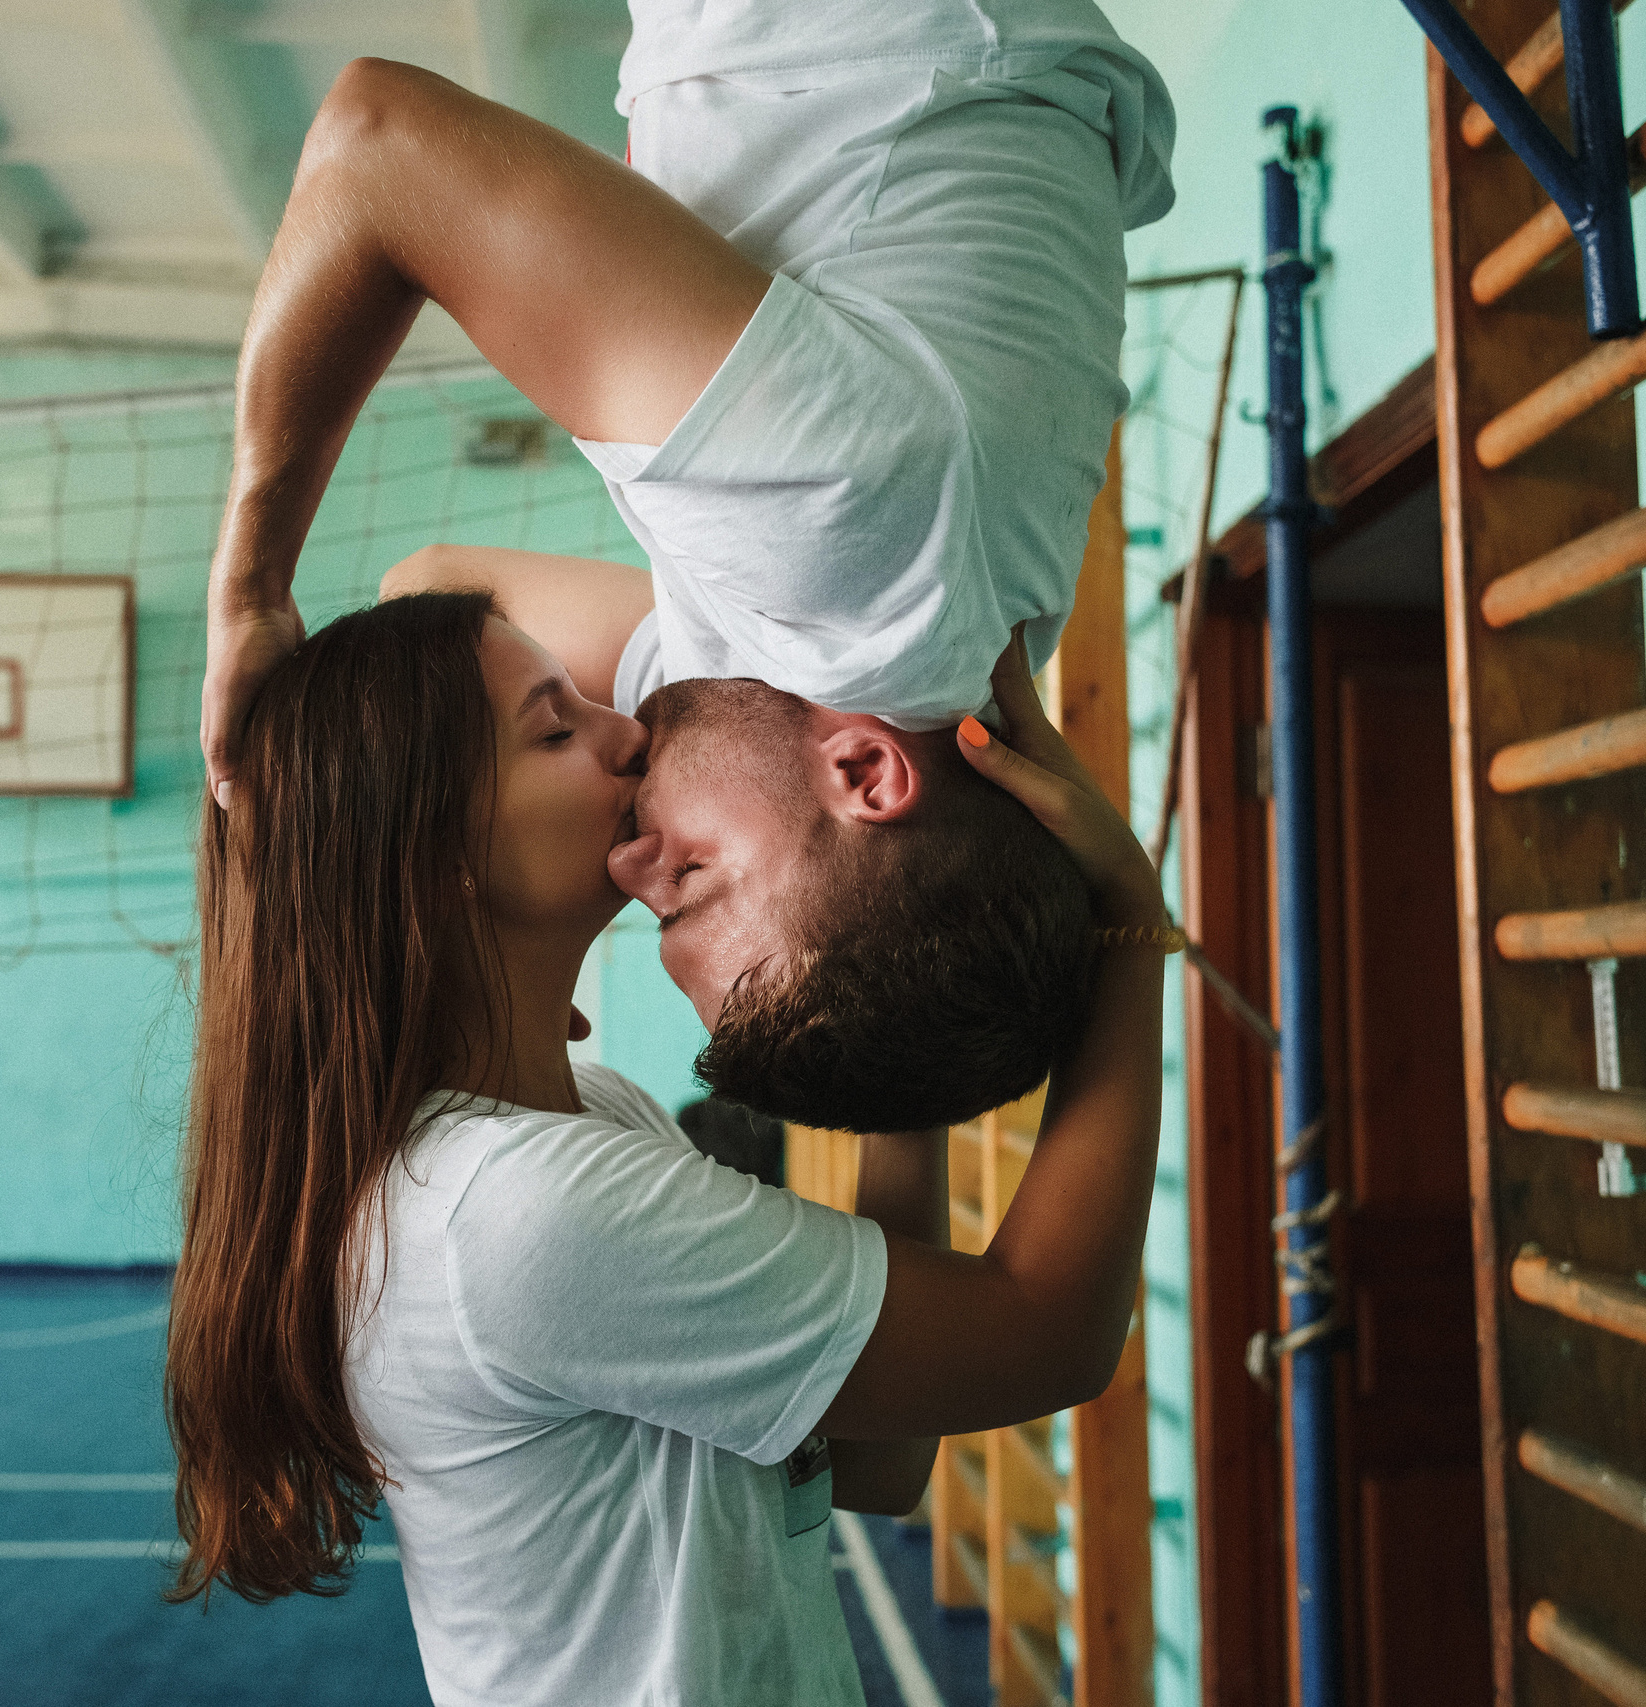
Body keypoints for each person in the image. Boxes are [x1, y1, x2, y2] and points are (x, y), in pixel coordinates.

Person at [170, 589, 1170, 1706]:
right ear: (435, 861)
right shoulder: (520, 1208)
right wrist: (1129, 920)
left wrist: (894, 991)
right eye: (555, 731)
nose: (628, 733)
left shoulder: (583, 1121)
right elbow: (1048, 1336)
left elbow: (881, 1460)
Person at [199, 1, 1174, 1133]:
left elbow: (433, 584)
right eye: (688, 881)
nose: (630, 865)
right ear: (864, 777)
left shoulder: (842, 675)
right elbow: (374, 144)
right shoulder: (845, 542)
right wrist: (252, 591)